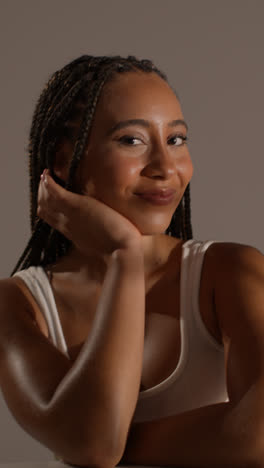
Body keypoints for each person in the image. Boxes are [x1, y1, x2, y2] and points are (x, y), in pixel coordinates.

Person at [0, 54, 263, 468]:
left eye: (176, 140)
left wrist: (108, 440)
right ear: (65, 161)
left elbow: (260, 435)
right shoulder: (17, 305)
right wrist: (123, 253)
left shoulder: (228, 272)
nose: (164, 167)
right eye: (132, 141)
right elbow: (95, 447)